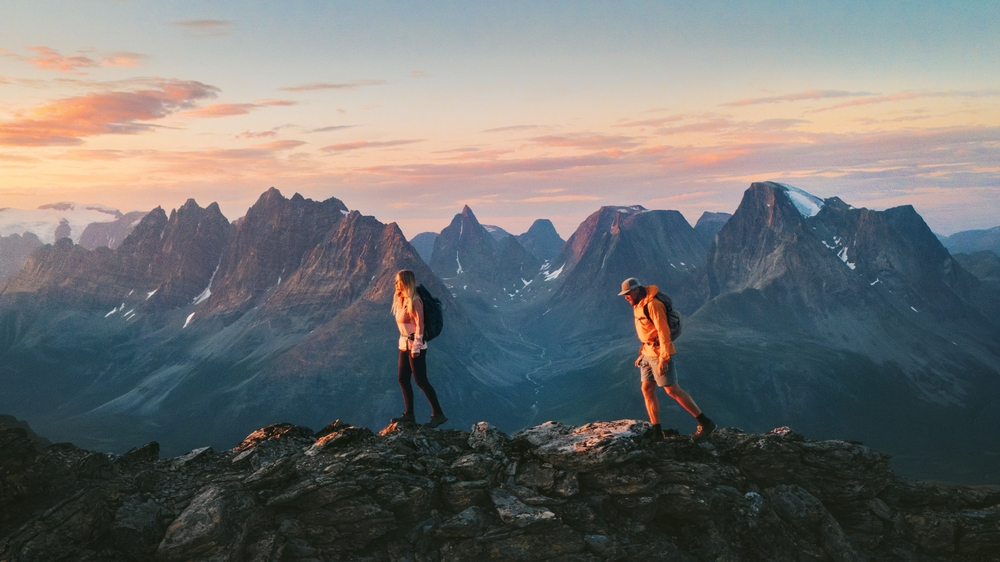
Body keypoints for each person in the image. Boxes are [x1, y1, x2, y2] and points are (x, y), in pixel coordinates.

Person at [619, 277, 716, 442]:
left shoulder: (653, 305)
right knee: (647, 389)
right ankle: (656, 431)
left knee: (672, 390)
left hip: (659, 353)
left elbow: (663, 332)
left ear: (636, 290)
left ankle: (705, 423)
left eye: (628, 294)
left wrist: (664, 358)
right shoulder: (638, 305)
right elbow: (649, 331)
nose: (626, 297)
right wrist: (643, 352)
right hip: (648, 352)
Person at [391, 269, 447, 428]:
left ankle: (438, 414)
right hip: (404, 345)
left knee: (421, 380)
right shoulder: (402, 299)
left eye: (398, 281)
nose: (395, 283)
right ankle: (409, 414)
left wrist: (416, 347)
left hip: (416, 347)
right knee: (403, 379)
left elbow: (420, 325)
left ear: (405, 282)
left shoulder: (415, 300)